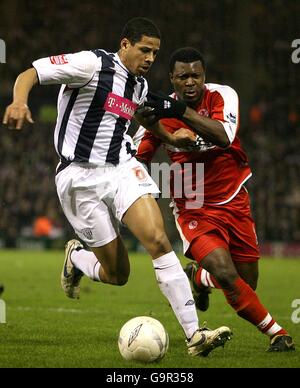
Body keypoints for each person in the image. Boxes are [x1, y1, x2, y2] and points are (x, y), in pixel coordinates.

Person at [2, 19, 232, 356]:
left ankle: (195, 335)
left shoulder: (138, 85)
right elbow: (30, 73)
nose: (151, 57)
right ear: (125, 44)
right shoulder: (91, 65)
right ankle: (78, 258)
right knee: (117, 273)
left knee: (157, 239)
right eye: (144, 50)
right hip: (78, 178)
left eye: (155, 51)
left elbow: (139, 114)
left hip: (122, 168)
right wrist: (19, 101)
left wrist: (169, 136)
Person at [135, 47, 295, 352]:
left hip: (234, 199)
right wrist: (145, 183)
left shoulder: (222, 96)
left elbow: (224, 136)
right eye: (183, 76)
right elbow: (137, 156)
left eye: (196, 75)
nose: (190, 82)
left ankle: (197, 278)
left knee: (247, 282)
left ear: (204, 76)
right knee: (226, 273)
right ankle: (277, 333)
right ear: (172, 78)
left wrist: (179, 111)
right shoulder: (159, 113)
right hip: (193, 204)